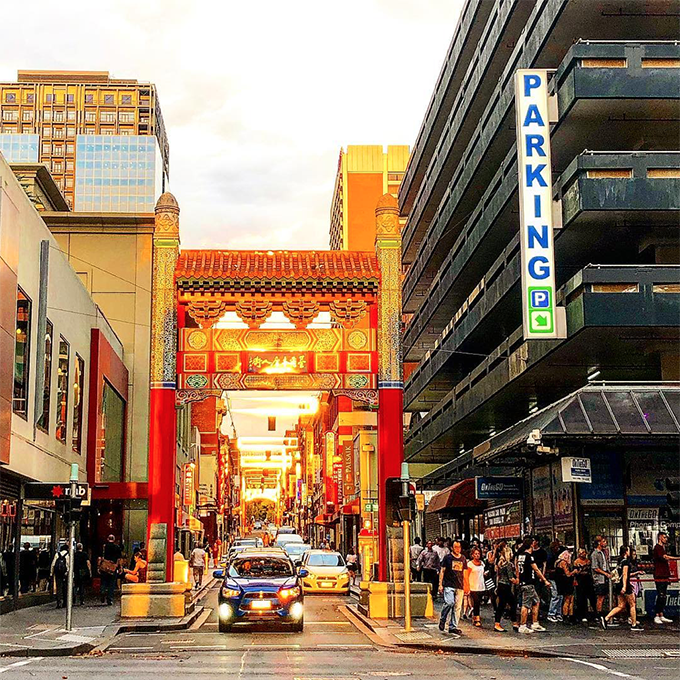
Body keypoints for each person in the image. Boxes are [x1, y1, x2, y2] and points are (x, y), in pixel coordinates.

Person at [602, 545, 643, 631]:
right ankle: (634, 624)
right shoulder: (626, 562)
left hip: (618, 584)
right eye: (628, 551)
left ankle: (606, 618)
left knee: (621, 605)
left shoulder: (619, 561)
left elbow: (625, 574)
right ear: (626, 552)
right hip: (625, 585)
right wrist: (625, 586)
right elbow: (625, 575)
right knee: (632, 604)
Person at [516, 537, 550, 634]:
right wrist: (544, 580)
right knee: (526, 605)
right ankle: (522, 625)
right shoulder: (529, 556)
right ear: (531, 544)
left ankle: (535, 623)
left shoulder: (521, 556)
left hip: (524, 582)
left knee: (536, 601)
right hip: (528, 583)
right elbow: (536, 569)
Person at [438, 539, 466, 635]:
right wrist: (440, 584)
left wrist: (466, 585)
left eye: (459, 547)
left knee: (457, 607)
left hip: (460, 585)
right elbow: (442, 571)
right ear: (451, 548)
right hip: (449, 585)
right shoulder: (447, 558)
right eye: (456, 547)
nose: (458, 549)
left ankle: (453, 626)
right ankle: (443, 619)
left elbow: (465, 573)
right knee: (449, 602)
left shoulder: (463, 558)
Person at [494, 543, 519, 633]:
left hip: (501, 585)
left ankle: (514, 622)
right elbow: (510, 577)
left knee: (504, 604)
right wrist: (517, 580)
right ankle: (511, 623)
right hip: (505, 586)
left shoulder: (501, 563)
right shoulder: (508, 564)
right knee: (509, 604)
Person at [653, 532, 674, 624]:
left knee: (664, 595)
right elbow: (665, 557)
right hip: (659, 574)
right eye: (664, 537)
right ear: (660, 537)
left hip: (664, 574)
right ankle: (657, 615)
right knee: (661, 595)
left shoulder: (663, 548)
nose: (666, 539)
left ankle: (661, 614)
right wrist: (676, 558)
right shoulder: (657, 548)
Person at [465, 547, 486, 628]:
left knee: (478, 603)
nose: (477, 555)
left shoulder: (482, 563)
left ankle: (474, 615)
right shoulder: (470, 564)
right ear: (472, 555)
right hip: (473, 586)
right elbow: (466, 575)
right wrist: (467, 586)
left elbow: (483, 573)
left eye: (478, 554)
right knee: (476, 602)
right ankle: (477, 618)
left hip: (481, 585)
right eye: (475, 554)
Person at [591, 536, 612, 618]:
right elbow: (595, 568)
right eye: (604, 541)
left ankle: (603, 613)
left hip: (605, 577)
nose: (605, 543)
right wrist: (605, 573)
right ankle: (598, 615)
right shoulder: (595, 554)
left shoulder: (603, 553)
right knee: (600, 597)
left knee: (604, 596)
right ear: (599, 542)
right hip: (599, 578)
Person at [98, 534, 122, 606]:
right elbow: (119, 559)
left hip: (104, 567)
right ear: (114, 539)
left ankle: (102, 591)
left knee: (103, 581)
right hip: (113, 567)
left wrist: (98, 566)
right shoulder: (117, 547)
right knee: (112, 584)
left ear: (108, 539)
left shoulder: (104, 547)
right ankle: (110, 599)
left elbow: (100, 558)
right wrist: (120, 567)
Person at [574, 548, 595, 623]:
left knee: (591, 597)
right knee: (581, 599)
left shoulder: (588, 561)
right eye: (581, 553)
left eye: (584, 552)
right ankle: (581, 615)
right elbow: (576, 572)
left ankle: (594, 614)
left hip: (588, 581)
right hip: (580, 581)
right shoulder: (576, 562)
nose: (583, 554)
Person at [555, 548, 576, 624]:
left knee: (570, 599)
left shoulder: (558, 562)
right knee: (568, 600)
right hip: (566, 583)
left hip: (564, 582)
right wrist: (574, 572)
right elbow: (567, 574)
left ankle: (569, 615)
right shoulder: (563, 563)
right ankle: (566, 616)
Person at [545, 540, 564, 623]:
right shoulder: (550, 556)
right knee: (555, 595)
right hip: (552, 577)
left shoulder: (555, 554)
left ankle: (557, 613)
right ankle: (551, 613)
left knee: (560, 595)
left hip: (557, 577)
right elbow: (547, 569)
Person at [50, 543, 69, 609]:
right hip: (65, 574)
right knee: (65, 588)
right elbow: (68, 565)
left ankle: (58, 602)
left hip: (58, 573)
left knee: (59, 588)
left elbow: (53, 564)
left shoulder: (57, 554)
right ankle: (65, 602)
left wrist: (51, 573)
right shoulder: (68, 555)